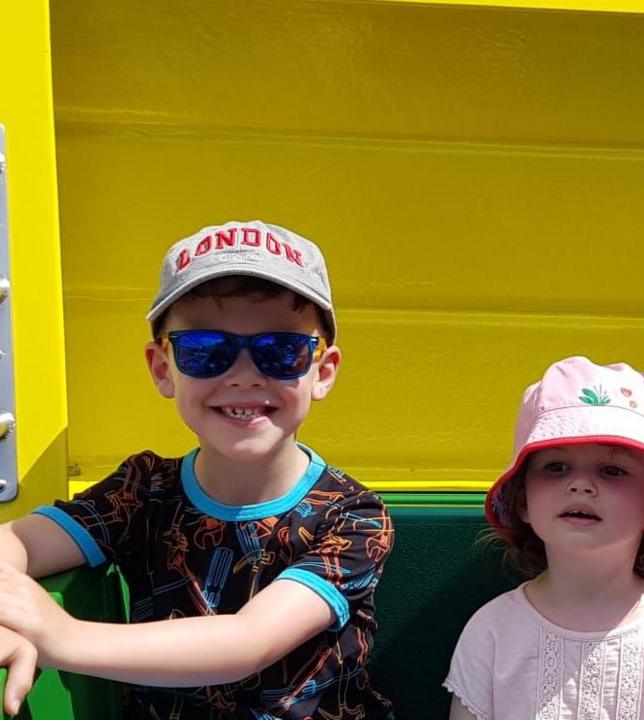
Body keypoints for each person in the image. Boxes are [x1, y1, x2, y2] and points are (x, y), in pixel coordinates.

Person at [0, 220, 395, 718]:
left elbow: (249, 643)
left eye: (280, 351)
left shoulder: (353, 518)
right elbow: (20, 543)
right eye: (207, 351)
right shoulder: (140, 490)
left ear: (323, 370)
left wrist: (58, 636)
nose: (245, 375)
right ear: (164, 369)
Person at [445, 356, 644, 719]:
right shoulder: (492, 632)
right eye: (556, 466)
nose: (580, 483)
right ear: (523, 501)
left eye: (612, 470)